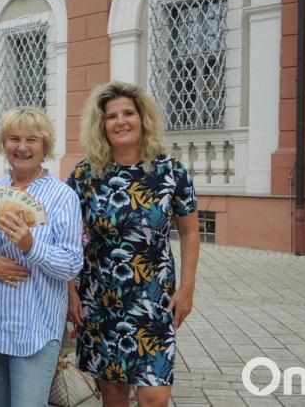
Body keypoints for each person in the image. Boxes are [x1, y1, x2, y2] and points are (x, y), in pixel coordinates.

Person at [66, 81, 200, 407]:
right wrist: (70, 293)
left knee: (155, 396)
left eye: (129, 113)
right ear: (102, 125)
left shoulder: (170, 171)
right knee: (113, 394)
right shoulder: (85, 175)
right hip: (100, 299)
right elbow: (65, 236)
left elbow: (190, 232)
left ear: (143, 119)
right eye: (112, 116)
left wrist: (187, 290)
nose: (121, 121)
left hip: (154, 299)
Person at [0, 107, 84, 407]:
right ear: (4, 144)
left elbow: (71, 263)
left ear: (45, 146)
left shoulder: (62, 196)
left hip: (35, 331)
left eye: (32, 139)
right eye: (14, 138)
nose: (22, 147)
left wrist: (30, 245)